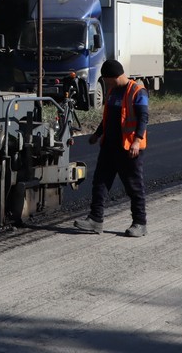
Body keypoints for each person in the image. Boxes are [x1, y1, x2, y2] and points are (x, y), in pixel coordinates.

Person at [74, 60, 149, 237]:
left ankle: (140, 223)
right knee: (100, 182)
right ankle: (95, 220)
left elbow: (143, 118)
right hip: (109, 146)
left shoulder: (137, 91)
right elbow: (107, 118)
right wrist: (97, 134)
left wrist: (137, 141)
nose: (107, 84)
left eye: (108, 80)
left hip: (129, 148)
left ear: (116, 76)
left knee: (134, 186)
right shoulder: (113, 92)